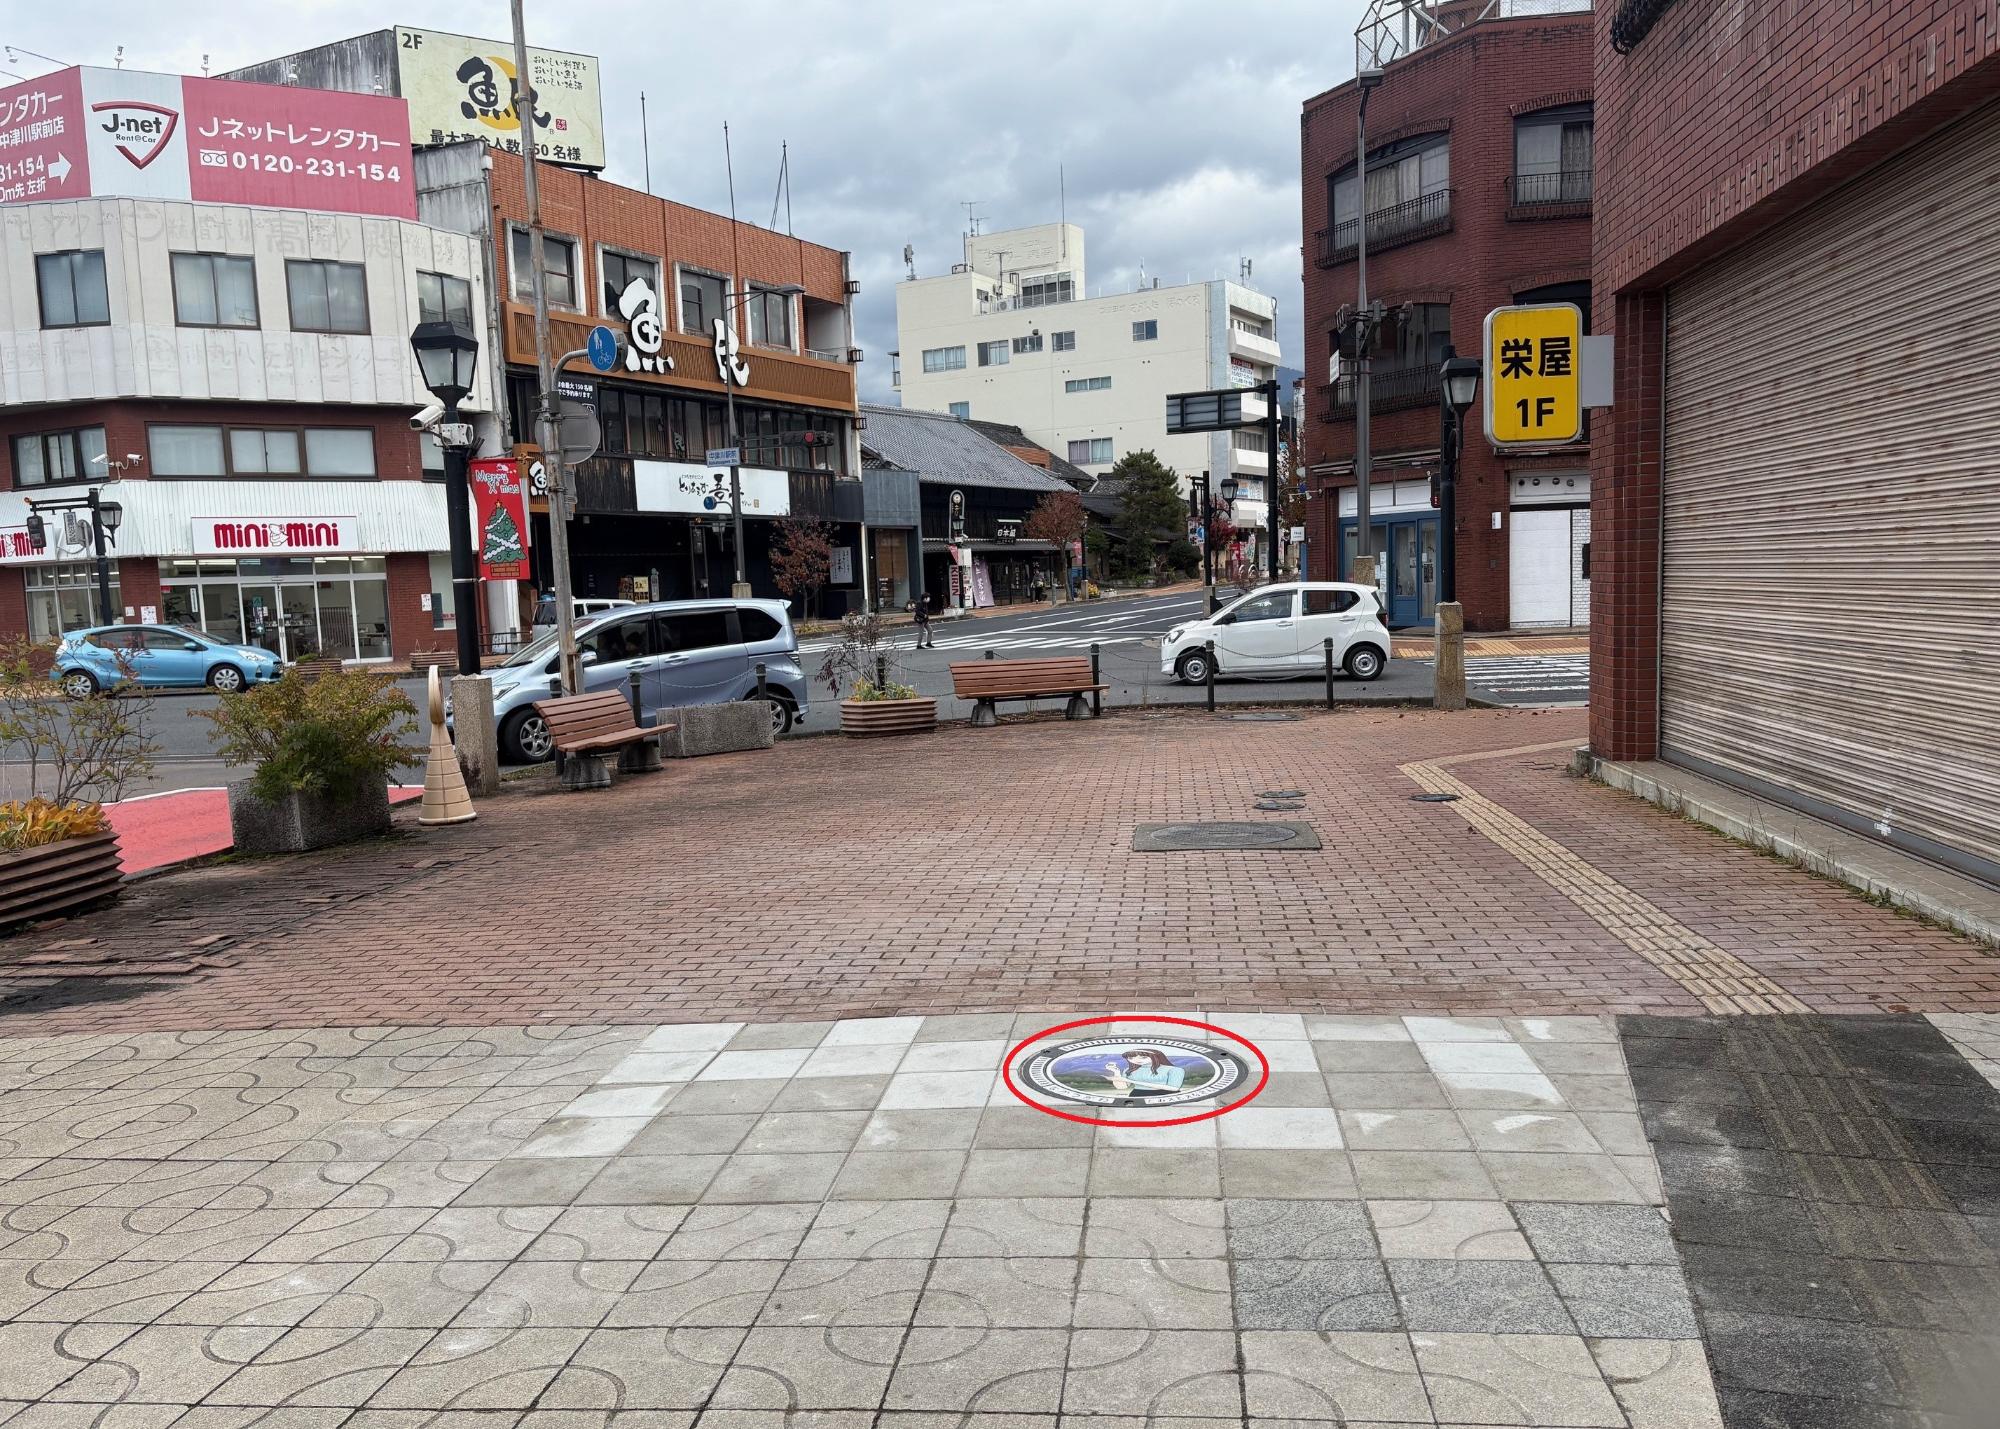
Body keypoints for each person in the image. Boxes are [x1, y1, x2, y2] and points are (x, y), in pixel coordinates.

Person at [1103, 1049, 1185, 1098]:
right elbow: (1122, 1087)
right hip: (1137, 1095)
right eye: (1131, 1058)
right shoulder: (1129, 1070)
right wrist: (1116, 1072)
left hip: (1166, 1096)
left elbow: (1174, 1088)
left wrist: (1134, 1082)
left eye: (1143, 1057)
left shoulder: (1175, 1070)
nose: (1136, 1060)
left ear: (1155, 1057)